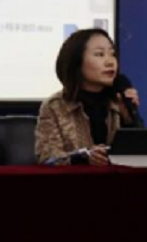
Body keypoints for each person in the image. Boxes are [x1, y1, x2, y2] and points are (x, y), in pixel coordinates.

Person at [35, 28, 140, 166]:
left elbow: (139, 156)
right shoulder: (55, 106)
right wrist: (83, 157)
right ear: (77, 61)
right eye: (99, 54)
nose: (110, 62)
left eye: (112, 54)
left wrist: (129, 120)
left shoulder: (117, 101)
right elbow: (48, 160)